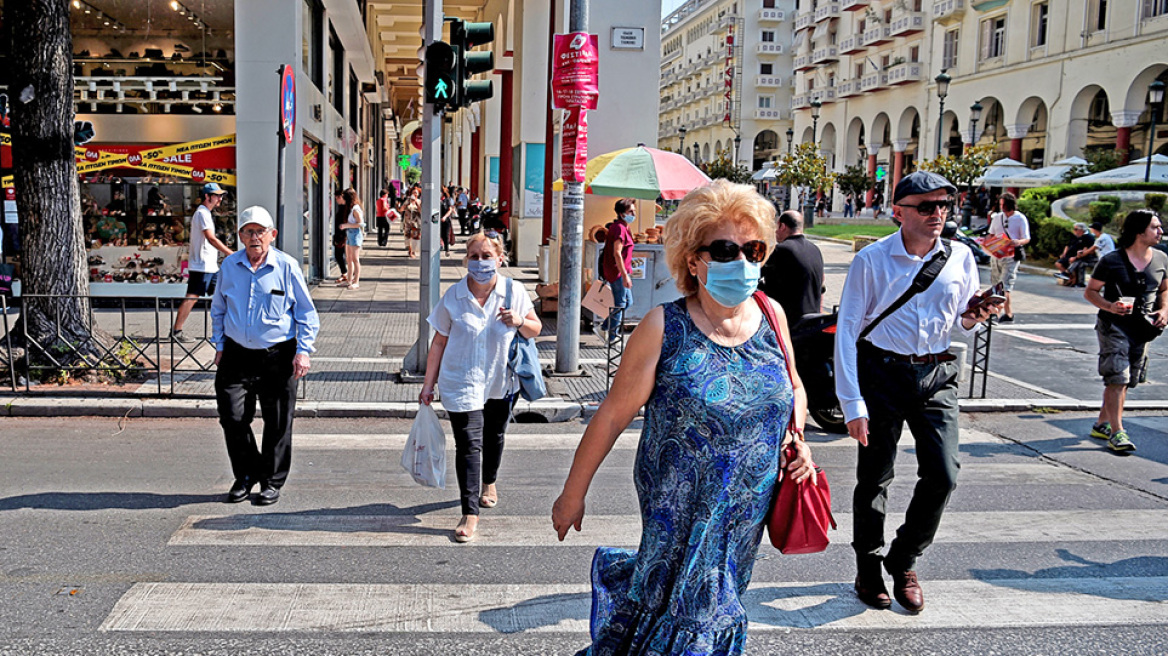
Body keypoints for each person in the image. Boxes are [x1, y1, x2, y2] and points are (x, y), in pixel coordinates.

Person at [552, 180, 814, 656]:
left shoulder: (772, 315)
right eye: (725, 250)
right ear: (694, 261)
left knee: (708, 612)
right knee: (689, 618)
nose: (742, 262)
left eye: (752, 249)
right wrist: (573, 495)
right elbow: (612, 416)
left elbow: (793, 387)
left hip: (743, 515)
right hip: (677, 514)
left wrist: (800, 441)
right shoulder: (663, 327)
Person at [835, 171, 998, 615]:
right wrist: (852, 402)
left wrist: (977, 312)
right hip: (882, 372)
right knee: (875, 477)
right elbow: (848, 330)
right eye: (926, 207)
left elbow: (959, 318)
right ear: (899, 211)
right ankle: (868, 566)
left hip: (937, 374)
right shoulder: (872, 260)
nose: (938, 214)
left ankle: (903, 559)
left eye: (945, 205)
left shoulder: (960, 256)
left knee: (944, 474)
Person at [420, 233, 541, 542]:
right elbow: (438, 342)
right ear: (466, 261)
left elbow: (535, 328)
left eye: (486, 255)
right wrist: (427, 385)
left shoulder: (514, 291)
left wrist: (518, 321)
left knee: (495, 435)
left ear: (500, 259)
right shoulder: (453, 296)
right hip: (461, 380)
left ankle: (489, 480)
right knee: (468, 445)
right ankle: (469, 513)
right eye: (474, 256)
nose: (480, 262)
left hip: (501, 381)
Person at [211, 206, 320, 506]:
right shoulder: (230, 267)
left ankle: (271, 481)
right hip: (236, 354)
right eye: (248, 231)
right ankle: (246, 475)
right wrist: (219, 344)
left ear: (272, 235)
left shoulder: (286, 266)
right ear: (240, 236)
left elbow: (307, 314)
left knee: (278, 421)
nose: (255, 237)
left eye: (260, 231)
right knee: (232, 417)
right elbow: (218, 309)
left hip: (278, 354)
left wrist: (304, 351)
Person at [1083, 210, 1167, 453]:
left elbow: (1165, 290)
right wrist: (1110, 306)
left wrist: (1165, 311)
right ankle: (1117, 432)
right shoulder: (1111, 260)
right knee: (1118, 377)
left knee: (1126, 380)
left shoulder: (1161, 258)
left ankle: (1102, 424)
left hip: (1144, 328)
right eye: (1155, 227)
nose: (1160, 231)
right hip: (1114, 326)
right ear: (1139, 231)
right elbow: (1090, 292)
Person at [171, 183, 234, 342]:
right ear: (207, 196)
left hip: (210, 265)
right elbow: (211, 238)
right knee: (192, 297)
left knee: (224, 294)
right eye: (217, 195)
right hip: (202, 265)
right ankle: (176, 331)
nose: (220, 198)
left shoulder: (205, 213)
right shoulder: (202, 213)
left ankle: (228, 330)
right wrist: (229, 253)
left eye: (220, 195)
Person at [759, 209, 825, 323]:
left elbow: (756, 275)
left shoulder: (781, 250)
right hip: (813, 319)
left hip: (788, 321)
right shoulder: (815, 249)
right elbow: (822, 285)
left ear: (782, 226)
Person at [986, 192, 1030, 322]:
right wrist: (989, 243)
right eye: (1000, 204)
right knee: (995, 284)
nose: (1001, 207)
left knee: (1006, 284)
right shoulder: (997, 217)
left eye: (1003, 204)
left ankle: (1007, 313)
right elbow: (991, 234)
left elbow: (1026, 238)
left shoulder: (1020, 218)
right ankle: (995, 311)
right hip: (997, 253)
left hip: (1011, 255)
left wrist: (1018, 242)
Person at [599, 199, 636, 343]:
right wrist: (625, 276)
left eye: (634, 211)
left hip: (622, 271)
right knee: (621, 304)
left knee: (628, 302)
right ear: (621, 214)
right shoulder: (619, 228)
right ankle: (613, 337)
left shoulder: (624, 227)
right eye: (630, 212)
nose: (633, 214)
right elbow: (617, 253)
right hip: (617, 272)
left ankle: (604, 327)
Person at [337, 189, 365, 290]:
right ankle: (349, 280)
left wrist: (346, 225)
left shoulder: (355, 209)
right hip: (349, 233)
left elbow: (360, 223)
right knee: (349, 259)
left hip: (355, 234)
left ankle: (356, 281)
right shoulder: (350, 208)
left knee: (355, 259)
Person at [1055, 223, 1096, 287]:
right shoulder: (1075, 236)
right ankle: (1068, 276)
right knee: (1058, 263)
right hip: (1072, 255)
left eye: (1075, 229)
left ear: (1081, 230)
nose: (1074, 230)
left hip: (1081, 257)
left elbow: (1085, 251)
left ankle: (1072, 279)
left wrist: (1075, 257)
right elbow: (1067, 245)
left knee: (1073, 262)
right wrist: (1064, 253)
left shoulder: (1088, 238)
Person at [331, 190, 349, 284]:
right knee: (339, 255)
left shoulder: (347, 208)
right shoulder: (341, 207)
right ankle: (345, 274)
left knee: (345, 256)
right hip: (339, 234)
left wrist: (345, 235)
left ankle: (347, 275)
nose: (337, 200)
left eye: (338, 197)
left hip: (344, 235)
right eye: (336, 198)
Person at [402, 187, 422, 258]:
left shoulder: (419, 201)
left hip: (416, 222)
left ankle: (413, 252)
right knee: (408, 237)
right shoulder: (408, 201)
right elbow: (402, 209)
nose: (415, 194)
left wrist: (417, 203)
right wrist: (406, 205)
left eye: (416, 193)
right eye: (413, 192)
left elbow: (421, 211)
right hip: (407, 221)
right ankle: (410, 251)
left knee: (415, 237)